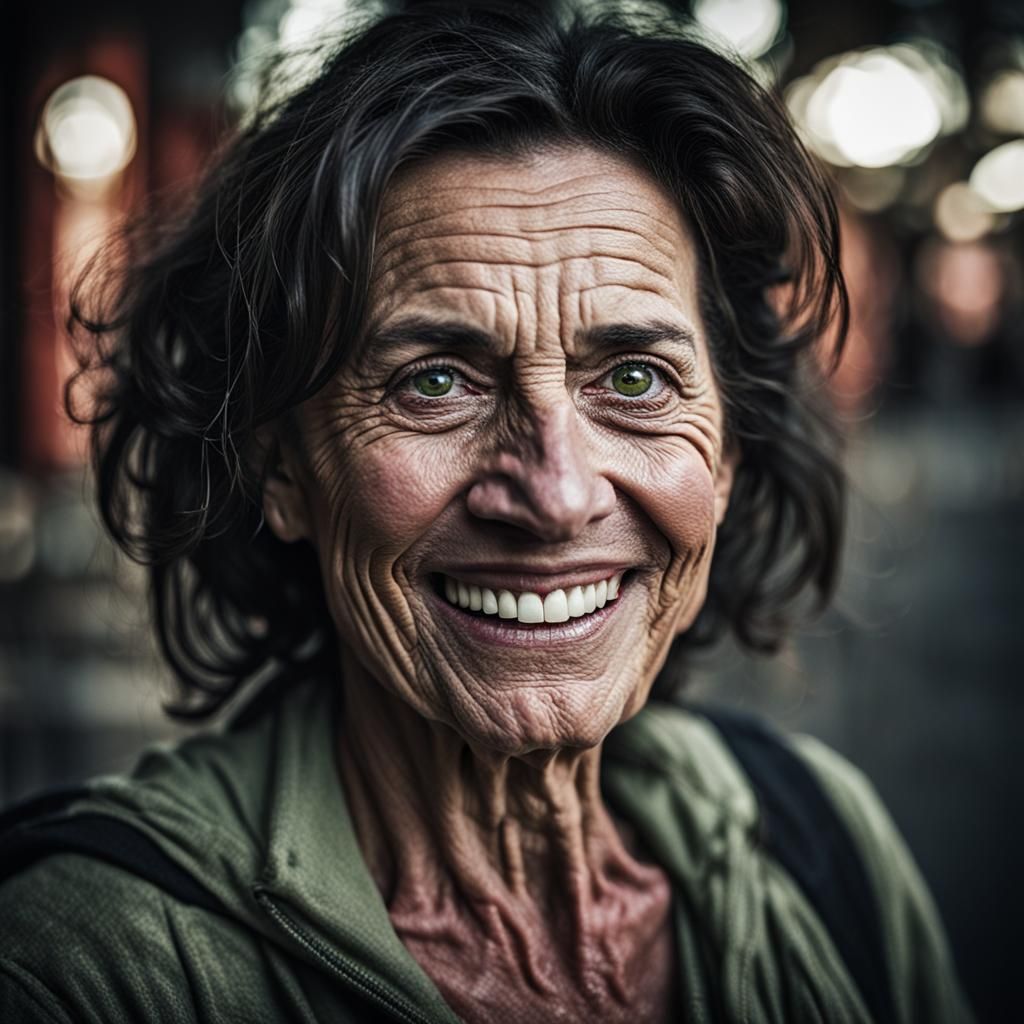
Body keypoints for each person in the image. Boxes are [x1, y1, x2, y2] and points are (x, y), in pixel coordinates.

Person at [0, 1, 973, 1021]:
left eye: (635, 379)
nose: (555, 495)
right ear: (278, 463)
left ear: (726, 451)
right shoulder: (81, 973)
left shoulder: (823, 847)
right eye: (434, 383)